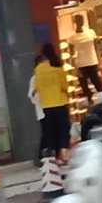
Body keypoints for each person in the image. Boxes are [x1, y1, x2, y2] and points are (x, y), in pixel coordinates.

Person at [31, 41, 74, 189]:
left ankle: (53, 158)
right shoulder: (57, 66)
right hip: (60, 102)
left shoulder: (39, 69)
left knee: (51, 132)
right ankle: (63, 155)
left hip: (47, 105)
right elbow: (64, 86)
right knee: (64, 129)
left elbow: (38, 87)